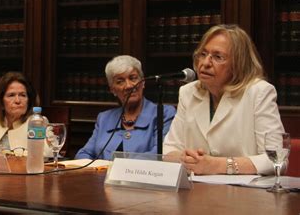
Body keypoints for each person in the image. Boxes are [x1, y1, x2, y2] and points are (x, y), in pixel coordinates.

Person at [163, 24, 285, 175]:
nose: (206, 63)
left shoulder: (259, 92)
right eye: (203, 54)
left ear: (238, 64)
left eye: (217, 57)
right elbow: (169, 149)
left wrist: (218, 165)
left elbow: (276, 158)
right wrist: (185, 159)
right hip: (197, 191)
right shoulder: (188, 92)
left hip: (244, 194)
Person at [75, 55, 176, 160]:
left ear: (143, 82)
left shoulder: (163, 113)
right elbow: (83, 154)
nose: (128, 86)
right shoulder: (104, 118)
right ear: (112, 90)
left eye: (133, 78)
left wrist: (119, 167)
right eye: (120, 81)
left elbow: (160, 154)